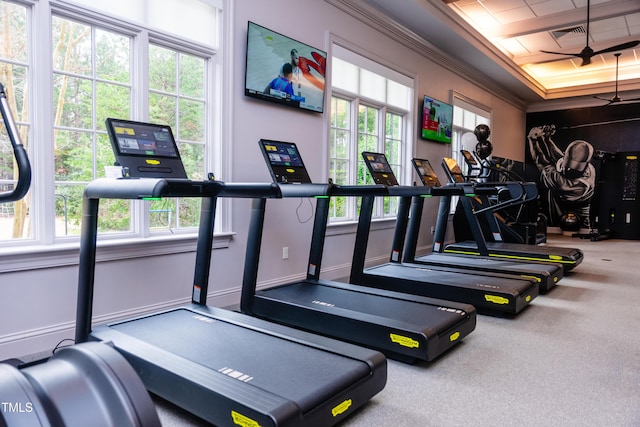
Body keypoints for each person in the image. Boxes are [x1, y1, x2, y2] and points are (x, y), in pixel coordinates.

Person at [528, 124, 596, 229]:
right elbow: (560, 158)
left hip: (579, 224)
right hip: (560, 219)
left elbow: (541, 161)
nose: (568, 169)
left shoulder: (576, 185)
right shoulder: (588, 167)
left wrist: (533, 140)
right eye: (568, 165)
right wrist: (547, 138)